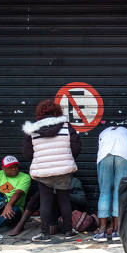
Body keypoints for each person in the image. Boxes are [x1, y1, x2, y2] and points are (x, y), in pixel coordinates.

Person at [23, 100, 81, 243]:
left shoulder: (32, 130)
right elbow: (76, 147)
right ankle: (69, 231)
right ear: (58, 112)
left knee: (45, 201)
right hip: (64, 169)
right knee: (64, 200)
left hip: (43, 170)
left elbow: (27, 153)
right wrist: (66, 159)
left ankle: (45, 234)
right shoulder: (67, 127)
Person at [94, 125, 127, 242]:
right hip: (123, 156)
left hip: (104, 156)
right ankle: (117, 231)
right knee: (119, 193)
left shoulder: (104, 132)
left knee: (104, 192)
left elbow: (101, 149)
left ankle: (102, 231)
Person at [8, 176, 87, 236]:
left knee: (54, 196)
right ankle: (21, 224)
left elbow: (82, 200)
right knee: (39, 195)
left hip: (69, 210)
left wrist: (63, 194)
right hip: (54, 209)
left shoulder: (73, 181)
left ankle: (54, 226)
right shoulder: (49, 182)